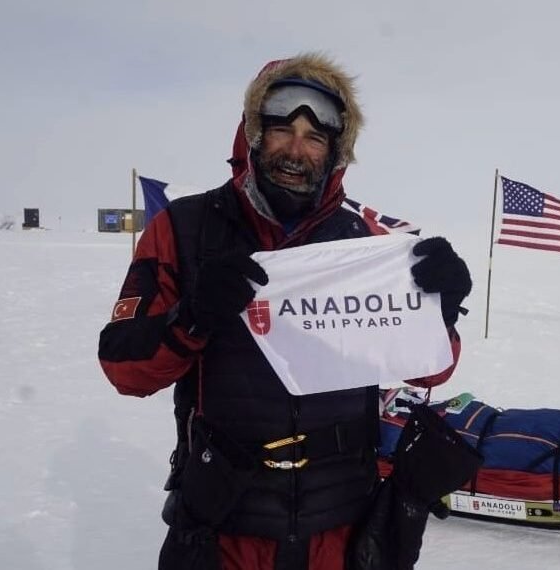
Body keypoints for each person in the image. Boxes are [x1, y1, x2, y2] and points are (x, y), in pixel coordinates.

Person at [98, 53, 473, 570]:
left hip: (341, 527)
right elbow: (124, 371)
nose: (297, 150)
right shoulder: (184, 230)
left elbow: (430, 369)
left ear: (336, 151)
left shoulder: (366, 243)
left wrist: (441, 311)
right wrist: (192, 317)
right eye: (282, 129)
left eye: (315, 137)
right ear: (253, 134)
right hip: (226, 522)